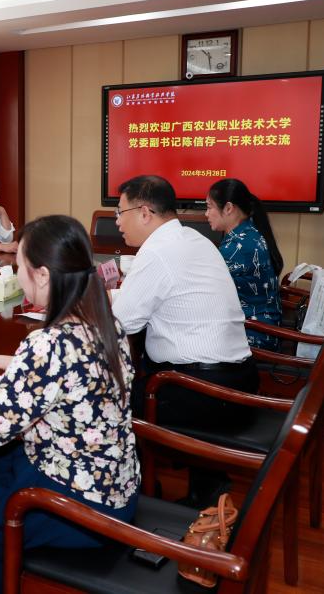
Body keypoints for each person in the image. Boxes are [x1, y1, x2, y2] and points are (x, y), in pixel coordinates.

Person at [0, 215, 139, 594]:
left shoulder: (48, 344)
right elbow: (67, 371)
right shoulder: (102, 321)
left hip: (78, 508)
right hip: (114, 485)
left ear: (43, 275)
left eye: (19, 266)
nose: (16, 275)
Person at [112, 175, 256, 508]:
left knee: (110, 398)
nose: (117, 221)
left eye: (121, 212)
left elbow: (123, 321)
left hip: (203, 392)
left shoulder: (157, 251)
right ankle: (207, 486)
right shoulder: (193, 238)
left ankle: (135, 493)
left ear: (145, 212)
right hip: (239, 380)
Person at [205, 178, 284, 350]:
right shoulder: (249, 232)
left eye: (210, 207)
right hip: (264, 329)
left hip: (253, 335)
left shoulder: (238, 246)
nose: (206, 214)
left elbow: (206, 291)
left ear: (228, 208)